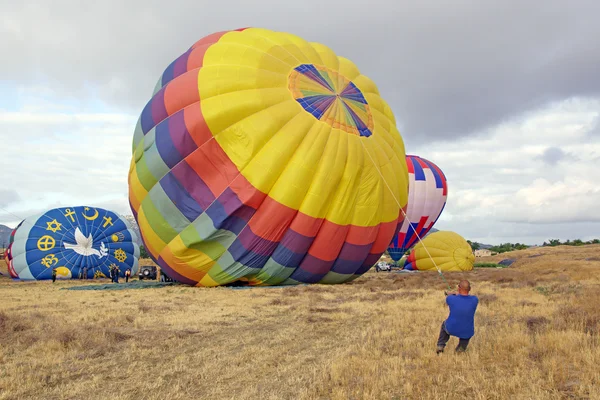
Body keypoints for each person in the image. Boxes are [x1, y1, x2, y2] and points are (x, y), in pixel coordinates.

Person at [436, 280, 479, 354]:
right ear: (470, 289)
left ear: (459, 288)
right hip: (467, 331)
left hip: (451, 328)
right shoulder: (475, 300)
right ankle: (460, 350)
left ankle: (440, 345)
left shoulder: (450, 299)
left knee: (444, 325)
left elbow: (450, 297)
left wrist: (452, 293)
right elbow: (465, 297)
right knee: (467, 334)